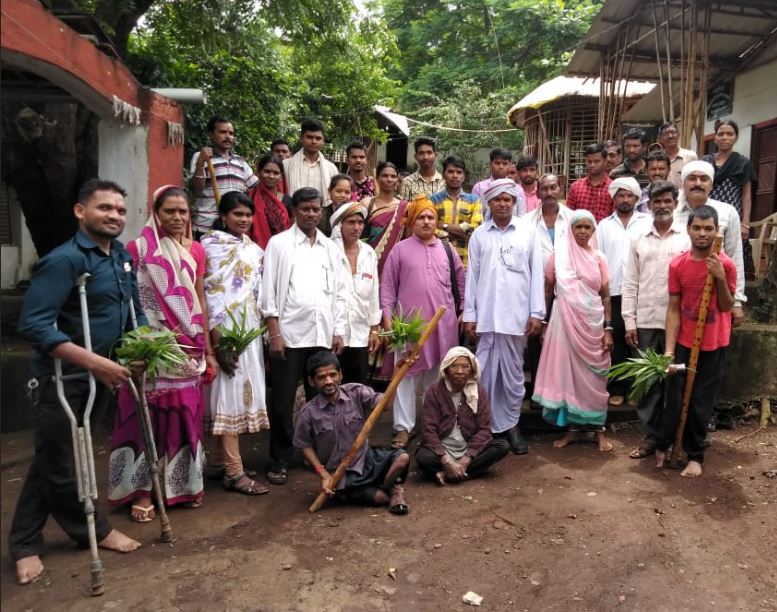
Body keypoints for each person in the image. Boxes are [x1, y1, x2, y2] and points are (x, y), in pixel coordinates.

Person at [11, 179, 143, 585]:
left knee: (51, 460)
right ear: (80, 211)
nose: (115, 216)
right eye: (105, 208)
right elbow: (33, 326)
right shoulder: (65, 261)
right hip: (61, 379)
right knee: (61, 462)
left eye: (120, 210)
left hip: (101, 379)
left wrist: (143, 347)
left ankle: (24, 542)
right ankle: (93, 531)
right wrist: (95, 363)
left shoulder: (120, 257)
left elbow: (132, 312)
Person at [108, 185, 218, 520]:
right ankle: (144, 492)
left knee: (185, 416)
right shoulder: (137, 249)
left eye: (183, 212)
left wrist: (209, 351)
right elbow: (130, 302)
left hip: (189, 346)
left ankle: (183, 485)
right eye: (170, 211)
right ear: (156, 212)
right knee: (147, 418)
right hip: (151, 347)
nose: (177, 217)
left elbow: (200, 299)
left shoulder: (197, 250)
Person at [262, 187, 347, 485]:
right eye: (305, 209)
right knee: (283, 401)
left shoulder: (329, 248)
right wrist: (274, 332)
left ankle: (319, 454)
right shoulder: (280, 244)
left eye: (315, 209)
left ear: (322, 211)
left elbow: (338, 293)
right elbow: (268, 290)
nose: (311, 214)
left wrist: (338, 330)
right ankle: (281, 458)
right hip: (289, 335)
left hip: (321, 335)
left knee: (321, 399)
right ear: (295, 211)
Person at [463, 179, 545, 454]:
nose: (502, 203)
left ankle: (512, 426)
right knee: (484, 375)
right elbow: (471, 278)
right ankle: (485, 428)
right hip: (486, 316)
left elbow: (537, 275)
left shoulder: (528, 232)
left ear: (514, 202)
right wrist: (470, 314)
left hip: (516, 314)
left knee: (512, 377)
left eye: (507, 199)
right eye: (496, 199)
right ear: (489, 202)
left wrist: (536, 312)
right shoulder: (479, 235)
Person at [655, 205, 736, 477]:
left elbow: (726, 306)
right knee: (675, 397)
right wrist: (668, 350)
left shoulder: (725, 264)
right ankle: (664, 445)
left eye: (708, 229)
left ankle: (695, 455)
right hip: (684, 343)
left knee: (701, 401)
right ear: (688, 229)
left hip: (714, 344)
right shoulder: (678, 264)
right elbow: (673, 308)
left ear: (716, 231)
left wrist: (721, 279)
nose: (703, 234)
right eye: (697, 228)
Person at [380, 195, 465, 449]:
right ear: (412, 221)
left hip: (442, 326)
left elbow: (461, 284)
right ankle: (403, 429)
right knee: (405, 378)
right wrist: (387, 318)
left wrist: (462, 313)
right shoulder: (400, 250)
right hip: (408, 328)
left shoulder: (448, 250)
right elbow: (387, 289)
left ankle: (433, 425)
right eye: (421, 217)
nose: (426, 221)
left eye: (431, 217)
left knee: (437, 378)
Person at [202, 192, 270, 495]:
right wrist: (217, 342)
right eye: (237, 214)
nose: (243, 220)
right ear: (223, 215)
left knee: (233, 394)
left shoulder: (255, 250)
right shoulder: (209, 247)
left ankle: (217, 463)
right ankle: (234, 471)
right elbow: (209, 295)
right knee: (226, 395)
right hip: (223, 330)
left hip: (249, 329)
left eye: (247, 214)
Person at [533, 210, 614, 452]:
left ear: (593, 231)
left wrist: (609, 329)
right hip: (563, 322)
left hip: (593, 323)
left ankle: (599, 431)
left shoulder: (599, 258)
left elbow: (606, 296)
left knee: (595, 378)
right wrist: (544, 322)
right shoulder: (558, 256)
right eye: (578, 227)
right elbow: (548, 291)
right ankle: (571, 431)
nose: (582, 231)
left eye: (587, 227)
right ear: (570, 229)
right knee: (568, 377)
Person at [622, 181, 690, 458]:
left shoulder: (686, 236)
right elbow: (630, 282)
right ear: (649, 205)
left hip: (680, 323)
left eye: (667, 201)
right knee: (648, 384)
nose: (662, 206)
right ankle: (651, 437)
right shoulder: (638, 236)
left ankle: (673, 437)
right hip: (647, 319)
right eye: (657, 201)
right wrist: (629, 321)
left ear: (676, 203)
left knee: (675, 383)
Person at [293, 351, 410, 514]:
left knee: (402, 458)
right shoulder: (308, 413)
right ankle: (385, 490)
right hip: (342, 474)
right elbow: (303, 445)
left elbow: (386, 405)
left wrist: (398, 372)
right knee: (380, 499)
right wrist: (324, 475)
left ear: (340, 375)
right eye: (321, 377)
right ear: (311, 381)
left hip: (367, 460)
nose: (328, 381)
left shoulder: (356, 391)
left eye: (332, 375)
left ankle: (388, 487)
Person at [416, 347, 510, 484]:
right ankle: (459, 472)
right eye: (454, 366)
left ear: (472, 370)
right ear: (446, 369)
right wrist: (446, 459)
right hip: (442, 449)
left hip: (468, 447)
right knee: (423, 457)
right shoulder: (434, 391)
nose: (459, 371)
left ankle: (448, 473)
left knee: (502, 446)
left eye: (465, 367)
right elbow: (428, 430)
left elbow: (484, 429)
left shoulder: (479, 392)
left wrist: (467, 458)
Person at [595, 177, 650, 406]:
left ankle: (638, 390)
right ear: (614, 198)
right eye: (620, 195)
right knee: (616, 339)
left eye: (629, 195)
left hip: (641, 290)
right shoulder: (604, 226)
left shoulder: (647, 222)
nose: (625, 199)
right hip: (615, 291)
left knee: (639, 340)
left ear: (636, 198)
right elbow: (597, 258)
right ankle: (617, 387)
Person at [674, 160, 746, 327]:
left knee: (711, 347)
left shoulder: (727, 212)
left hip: (715, 291)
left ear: (711, 185)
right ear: (683, 184)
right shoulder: (672, 211)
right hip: (679, 293)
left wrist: (737, 302)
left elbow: (735, 256)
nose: (698, 183)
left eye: (704, 179)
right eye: (692, 178)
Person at [525, 175, 572, 399]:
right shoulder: (526, 222)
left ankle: (561, 395)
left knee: (564, 345)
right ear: (538, 192)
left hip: (568, 293)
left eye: (553, 187)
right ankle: (537, 392)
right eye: (544, 188)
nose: (549, 192)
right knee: (536, 343)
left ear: (560, 189)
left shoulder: (573, 219)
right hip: (536, 292)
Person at [330, 202, 382, 384]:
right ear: (339, 225)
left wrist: (374, 330)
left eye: (360, 223)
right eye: (351, 222)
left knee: (358, 386)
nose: (357, 227)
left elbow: (374, 294)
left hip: (360, 334)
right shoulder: (328, 251)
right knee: (333, 385)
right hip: (332, 334)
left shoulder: (369, 253)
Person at [189, 117, 259, 237]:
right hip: (207, 227)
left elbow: (256, 187)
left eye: (231, 133)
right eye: (222, 132)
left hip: (234, 228)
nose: (228, 137)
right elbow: (196, 190)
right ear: (211, 134)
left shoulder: (240, 161)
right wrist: (201, 163)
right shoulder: (201, 157)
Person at [701, 119, 757, 246]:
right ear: (715, 138)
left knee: (730, 252)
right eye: (720, 134)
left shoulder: (743, 163)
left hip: (733, 214)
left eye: (729, 134)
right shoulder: (705, 161)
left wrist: (745, 224)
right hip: (707, 213)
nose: (724, 137)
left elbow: (746, 194)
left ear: (736, 138)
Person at [283, 119, 339, 232]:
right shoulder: (286, 165)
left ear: (323, 141)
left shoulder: (331, 168)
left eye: (318, 138)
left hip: (323, 222)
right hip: (293, 219)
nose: (314, 141)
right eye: (309, 137)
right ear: (301, 138)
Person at [429, 155, 483, 269]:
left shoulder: (474, 200)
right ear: (443, 175)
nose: (455, 176)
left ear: (464, 176)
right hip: (438, 260)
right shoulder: (433, 200)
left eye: (459, 172)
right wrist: (461, 232)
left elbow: (475, 229)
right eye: (450, 171)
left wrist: (443, 226)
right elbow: (429, 228)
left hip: (465, 262)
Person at [364, 161, 409, 276]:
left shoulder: (405, 207)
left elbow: (408, 239)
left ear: (397, 182)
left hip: (397, 263)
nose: (389, 179)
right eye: (385, 175)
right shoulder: (367, 204)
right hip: (370, 261)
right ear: (377, 179)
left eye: (393, 176)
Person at [249, 154, 291, 249]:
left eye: (276, 173)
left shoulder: (288, 201)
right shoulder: (248, 197)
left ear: (281, 176)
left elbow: (293, 230)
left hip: (282, 250)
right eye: (267, 171)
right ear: (258, 173)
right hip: (254, 251)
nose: (271, 176)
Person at [567, 143, 613, 222]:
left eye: (597, 161)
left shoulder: (613, 188)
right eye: (589, 161)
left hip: (604, 233)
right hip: (579, 233)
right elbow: (569, 215)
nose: (592, 165)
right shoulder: (576, 187)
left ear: (605, 161)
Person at [472, 148, 525, 218]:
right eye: (497, 163)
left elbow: (522, 215)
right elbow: (475, 215)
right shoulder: (479, 188)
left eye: (505, 164)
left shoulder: (517, 189)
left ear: (509, 165)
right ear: (490, 164)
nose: (501, 167)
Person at [656, 122, 697, 188]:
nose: (670, 136)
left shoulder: (691, 156)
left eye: (673, 132)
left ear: (678, 135)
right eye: (666, 134)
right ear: (660, 138)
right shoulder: (657, 159)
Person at [327, 174, 354, 241]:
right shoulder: (320, 215)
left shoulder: (356, 214)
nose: (343, 195)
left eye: (347, 192)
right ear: (330, 192)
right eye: (338, 191)